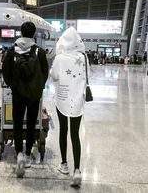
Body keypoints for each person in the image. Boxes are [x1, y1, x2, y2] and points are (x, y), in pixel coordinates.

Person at [2, 22, 48, 177]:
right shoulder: (39, 52)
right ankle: (28, 155)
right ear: (34, 34)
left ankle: (19, 153)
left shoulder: (11, 50)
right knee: (31, 124)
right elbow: (45, 73)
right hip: (34, 94)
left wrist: (13, 86)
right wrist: (38, 87)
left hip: (18, 93)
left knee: (17, 122)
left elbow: (5, 73)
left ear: (21, 32)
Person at [50, 27, 88, 187]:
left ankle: (64, 164)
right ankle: (77, 170)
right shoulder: (83, 57)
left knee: (63, 131)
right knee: (75, 134)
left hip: (62, 98)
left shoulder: (59, 58)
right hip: (78, 99)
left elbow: (54, 76)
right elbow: (88, 77)